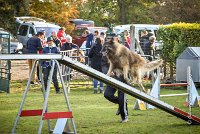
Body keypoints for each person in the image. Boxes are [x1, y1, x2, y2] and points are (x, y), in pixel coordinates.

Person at [103, 34, 128, 123]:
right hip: (113, 77)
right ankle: (121, 104)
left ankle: (124, 117)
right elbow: (109, 63)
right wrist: (109, 73)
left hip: (122, 77)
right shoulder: (108, 50)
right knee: (107, 94)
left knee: (122, 98)